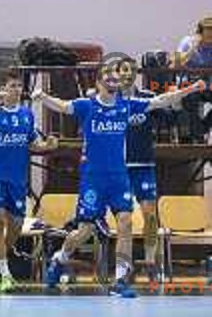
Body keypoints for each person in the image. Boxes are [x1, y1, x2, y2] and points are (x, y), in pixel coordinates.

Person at [34, 58, 205, 298]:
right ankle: (59, 258)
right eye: (109, 75)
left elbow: (160, 101)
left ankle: (120, 280)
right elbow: (62, 106)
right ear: (99, 80)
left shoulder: (127, 105)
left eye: (116, 76)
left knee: (125, 222)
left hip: (119, 178)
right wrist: (42, 96)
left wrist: (189, 90)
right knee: (84, 231)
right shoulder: (87, 105)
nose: (113, 79)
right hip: (93, 179)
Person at [0, 70, 58, 292]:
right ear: (2, 89)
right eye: (12, 86)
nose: (16, 90)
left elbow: (32, 144)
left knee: (16, 225)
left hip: (17, 179)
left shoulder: (26, 115)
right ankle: (4, 275)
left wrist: (47, 146)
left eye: (18, 86)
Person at [118, 58, 164, 280]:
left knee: (150, 216)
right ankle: (123, 267)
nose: (128, 74)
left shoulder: (147, 98)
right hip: (117, 169)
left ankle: (150, 262)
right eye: (123, 70)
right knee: (123, 219)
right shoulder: (109, 100)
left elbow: (166, 116)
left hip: (143, 165)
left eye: (131, 70)